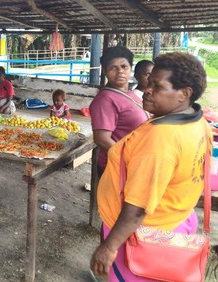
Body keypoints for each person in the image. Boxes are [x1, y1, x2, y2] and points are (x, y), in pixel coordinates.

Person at [90, 52, 211, 281]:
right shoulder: (198, 121)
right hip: (176, 218)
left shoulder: (161, 138)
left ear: (184, 94)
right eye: (149, 82)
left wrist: (109, 246)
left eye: (157, 86)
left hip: (144, 234)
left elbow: (137, 207)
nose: (147, 89)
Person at [89, 46, 150, 176]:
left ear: (130, 69)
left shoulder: (130, 94)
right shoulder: (105, 100)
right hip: (118, 168)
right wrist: (128, 160)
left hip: (135, 163)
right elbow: (102, 140)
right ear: (105, 71)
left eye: (124, 66)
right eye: (113, 68)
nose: (120, 71)